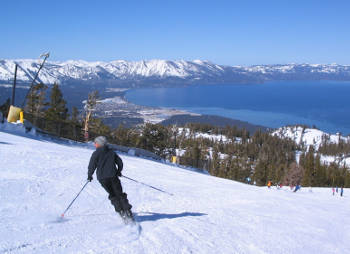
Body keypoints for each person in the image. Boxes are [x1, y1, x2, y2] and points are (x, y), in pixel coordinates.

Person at [87, 136, 134, 222]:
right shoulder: (111, 152)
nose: (95, 144)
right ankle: (127, 211)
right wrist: (119, 171)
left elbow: (92, 166)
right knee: (119, 194)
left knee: (112, 195)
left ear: (99, 144)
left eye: (95, 143)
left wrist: (90, 175)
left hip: (102, 178)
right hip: (113, 176)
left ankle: (121, 212)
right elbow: (120, 162)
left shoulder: (95, 154)